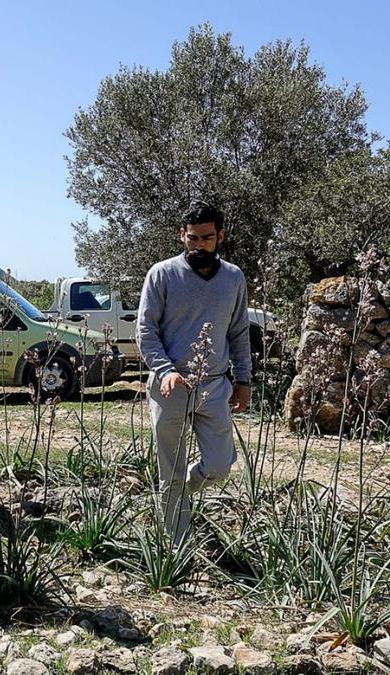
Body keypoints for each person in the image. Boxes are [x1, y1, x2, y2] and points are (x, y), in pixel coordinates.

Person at [137, 200, 252, 546]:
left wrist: (243, 379)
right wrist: (164, 370)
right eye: (192, 238)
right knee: (169, 469)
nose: (198, 245)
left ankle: (182, 490)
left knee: (219, 465)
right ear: (181, 236)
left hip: (215, 385)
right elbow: (146, 330)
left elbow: (239, 331)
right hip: (169, 385)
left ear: (220, 236)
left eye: (206, 238)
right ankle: (178, 548)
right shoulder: (162, 274)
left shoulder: (233, 278)